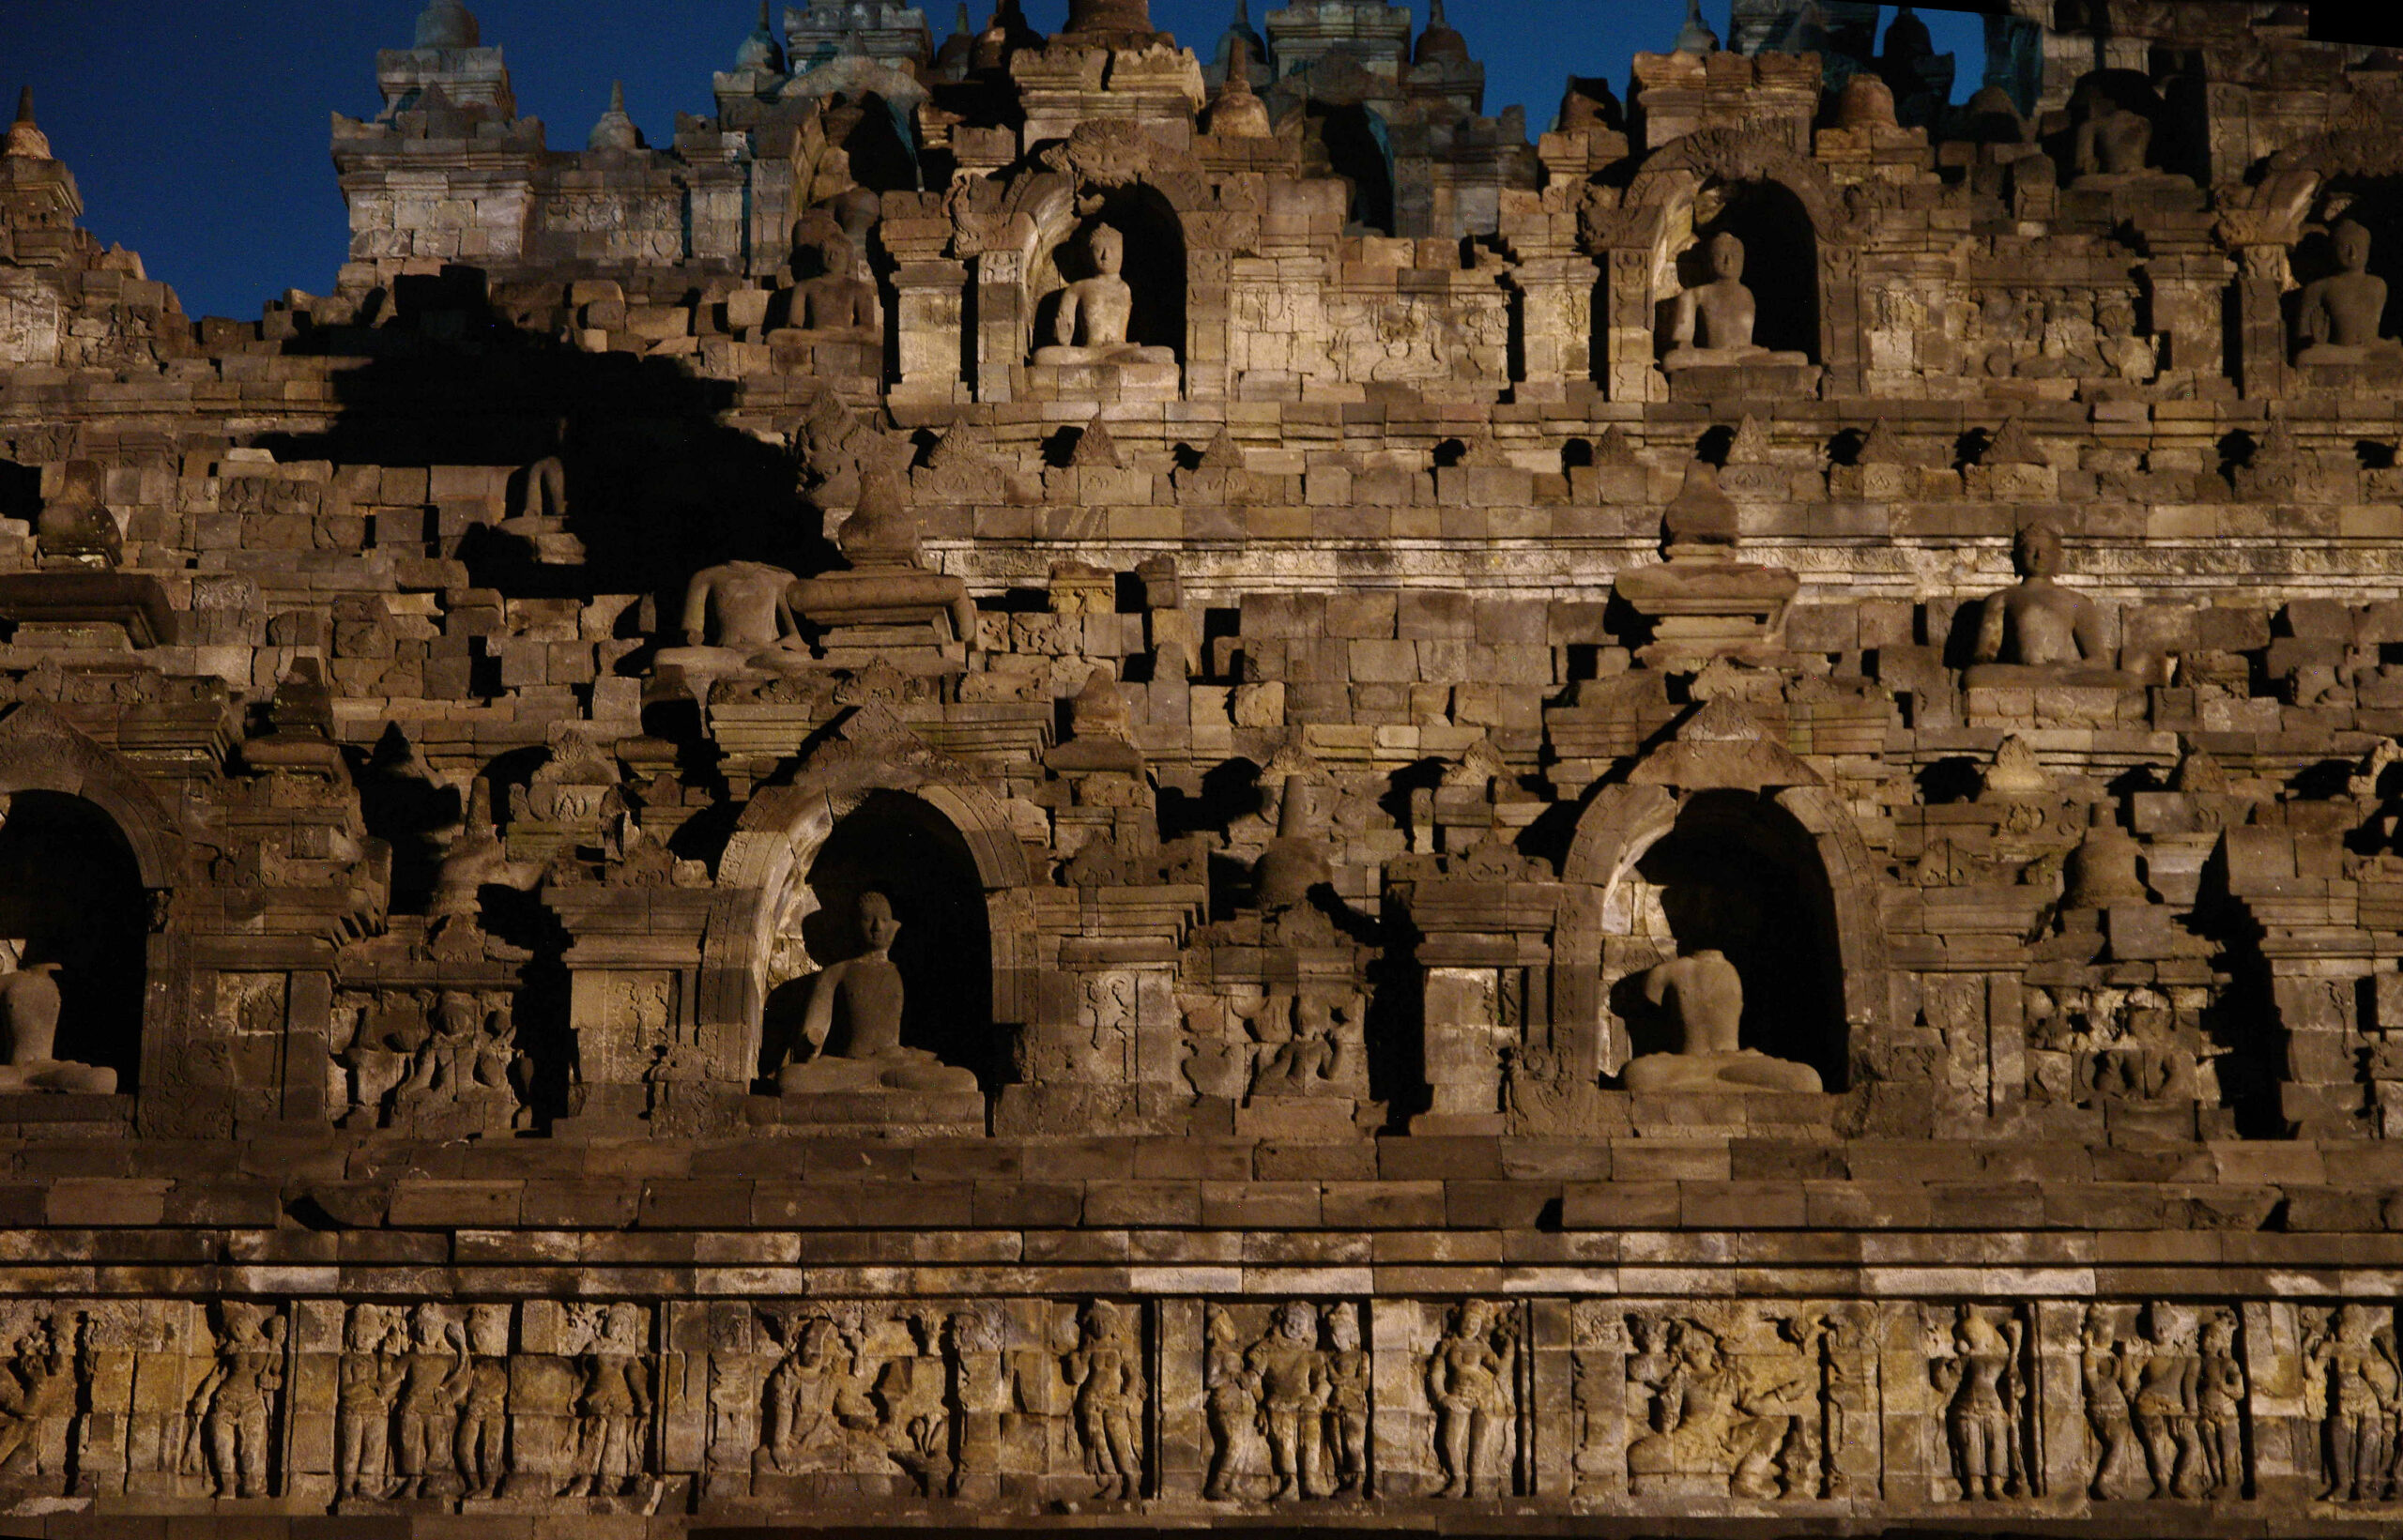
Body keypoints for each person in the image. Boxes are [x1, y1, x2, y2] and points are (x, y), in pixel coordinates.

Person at [777, 892, 979, 1095]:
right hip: (852, 1067)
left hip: (898, 1065)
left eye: (884, 920)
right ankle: (879, 1082)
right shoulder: (835, 973)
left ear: (894, 925)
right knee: (790, 1079)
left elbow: (933, 1032)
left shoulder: (905, 974)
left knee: (965, 1081)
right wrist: (812, 1044)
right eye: (867, 919)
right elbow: (810, 1036)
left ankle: (879, 1082)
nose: (877, 927)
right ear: (853, 925)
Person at [1620, 949, 1822, 1094]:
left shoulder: (1746, 967)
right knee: (1638, 1075)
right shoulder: (1665, 972)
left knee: (1807, 1079)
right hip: (1687, 1063)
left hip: (1738, 1063)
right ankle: (1719, 1082)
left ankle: (1710, 1083)